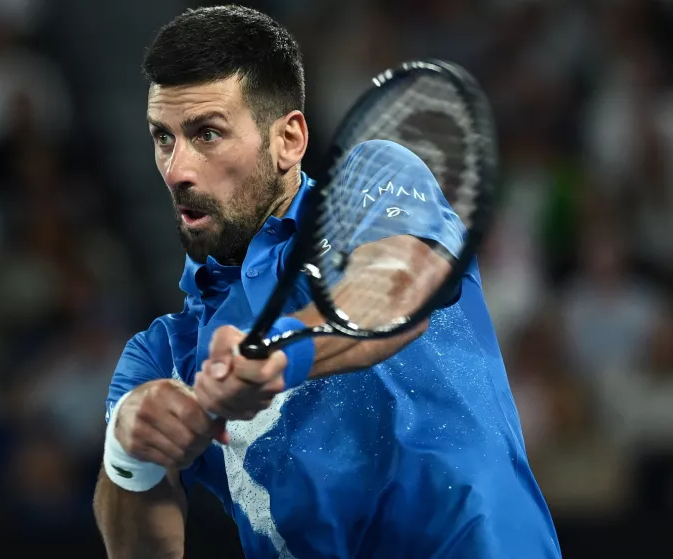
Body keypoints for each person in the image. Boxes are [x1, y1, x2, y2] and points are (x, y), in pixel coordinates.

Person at [93, 5, 561, 558]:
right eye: (163, 138)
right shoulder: (161, 356)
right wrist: (131, 456)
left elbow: (399, 286)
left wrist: (277, 355)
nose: (177, 170)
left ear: (288, 140)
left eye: (208, 134)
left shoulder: (373, 183)